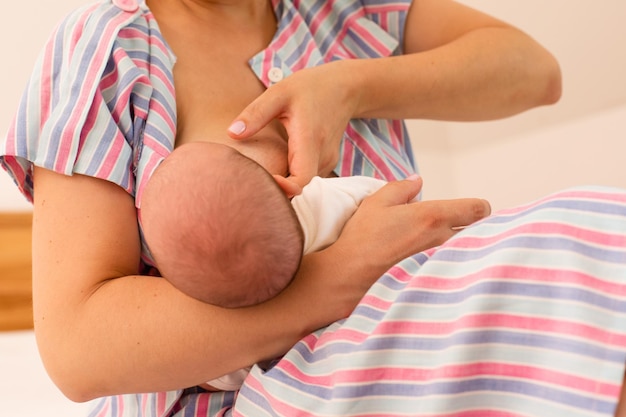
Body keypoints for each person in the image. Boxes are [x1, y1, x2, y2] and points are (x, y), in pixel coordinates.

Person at [2, 0, 626, 416]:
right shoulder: (109, 49)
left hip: (402, 329)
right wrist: (337, 277)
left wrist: (349, 85)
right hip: (259, 394)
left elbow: (534, 72)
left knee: (592, 240)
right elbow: (79, 348)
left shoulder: (340, 11)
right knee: (579, 245)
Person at [140, 140, 407, 309]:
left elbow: (213, 379)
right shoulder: (325, 199)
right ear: (285, 185)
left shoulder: (238, 333)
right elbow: (388, 197)